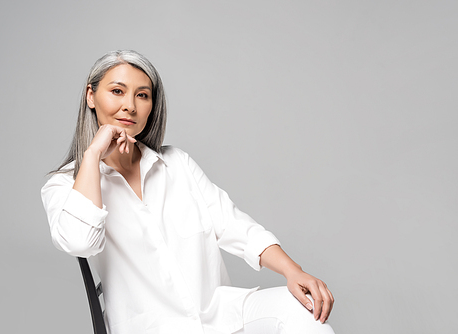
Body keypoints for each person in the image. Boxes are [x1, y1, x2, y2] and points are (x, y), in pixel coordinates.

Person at [41, 50, 335, 334]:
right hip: (152, 328)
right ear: (91, 96)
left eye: (142, 95)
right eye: (117, 91)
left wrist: (293, 271)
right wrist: (92, 154)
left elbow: (234, 225)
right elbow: (81, 242)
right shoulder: (64, 184)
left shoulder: (176, 164)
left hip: (218, 317)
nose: (130, 105)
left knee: (301, 310)